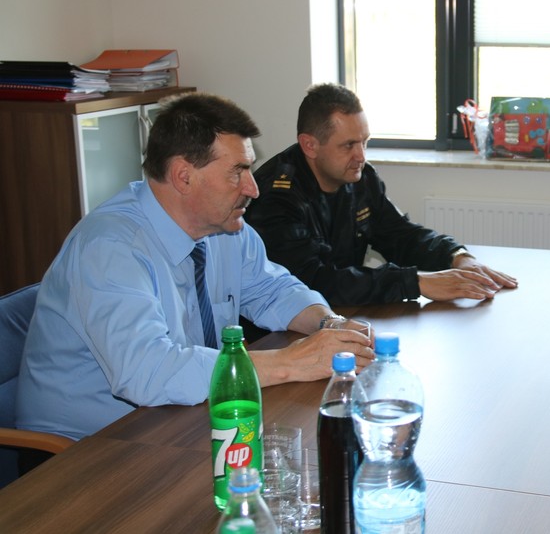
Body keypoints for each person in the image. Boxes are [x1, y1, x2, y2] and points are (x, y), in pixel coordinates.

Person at [16, 92, 374, 442]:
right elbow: (147, 372)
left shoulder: (224, 228)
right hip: (86, 449)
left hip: (174, 420)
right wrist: (289, 362)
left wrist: (331, 325)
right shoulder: (110, 247)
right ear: (183, 176)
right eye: (237, 172)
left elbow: (273, 290)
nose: (253, 188)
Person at [244, 82, 518, 305]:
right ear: (310, 145)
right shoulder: (275, 198)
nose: (361, 156)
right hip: (279, 333)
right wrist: (415, 283)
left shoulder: (361, 179)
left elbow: (399, 235)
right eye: (349, 145)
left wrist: (456, 256)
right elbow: (314, 282)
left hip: (343, 315)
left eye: (364, 142)